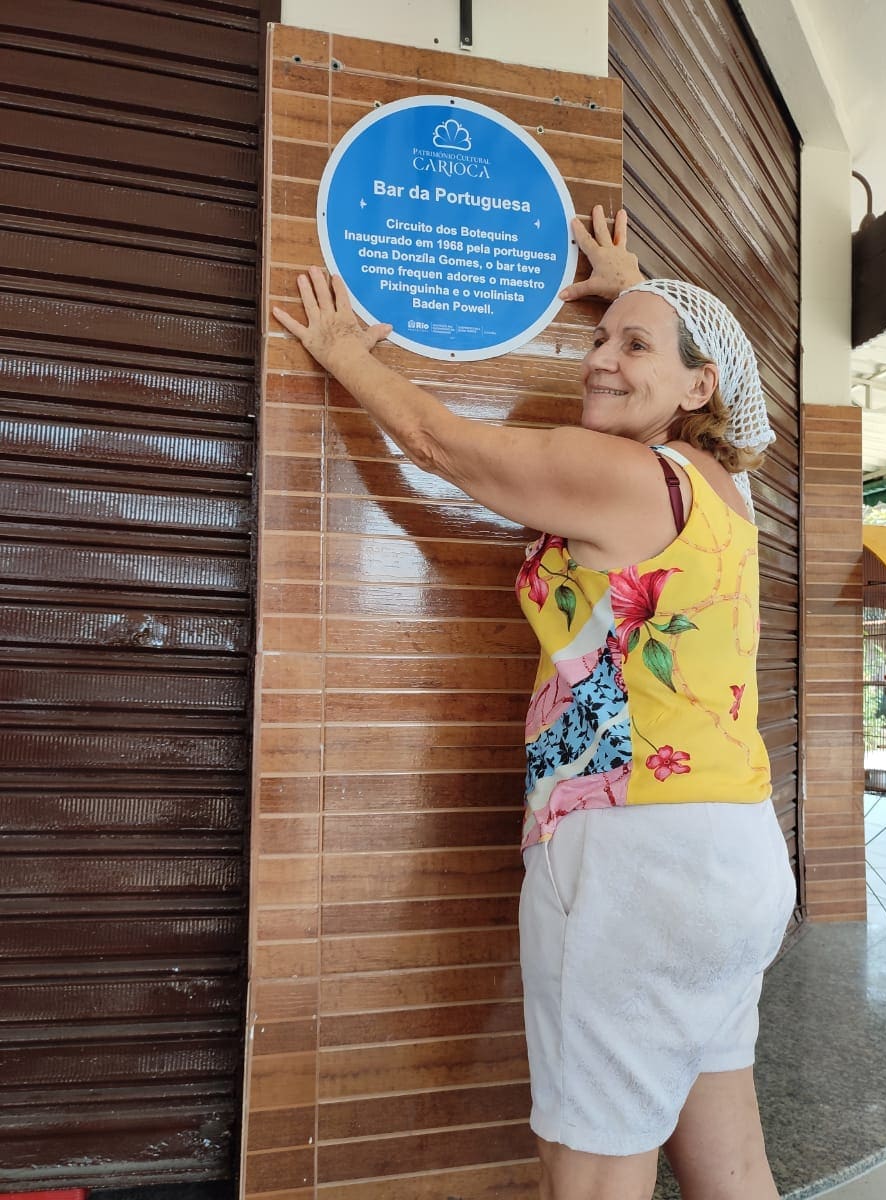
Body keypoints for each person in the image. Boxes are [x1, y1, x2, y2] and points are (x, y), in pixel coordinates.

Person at [273, 206, 796, 1200]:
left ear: (701, 385)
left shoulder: (627, 475)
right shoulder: (723, 490)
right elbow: (689, 345)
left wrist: (340, 345)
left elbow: (434, 438)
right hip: (733, 859)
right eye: (598, 339)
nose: (598, 357)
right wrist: (637, 294)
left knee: (592, 1173)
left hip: (637, 861)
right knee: (730, 1165)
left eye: (630, 345)